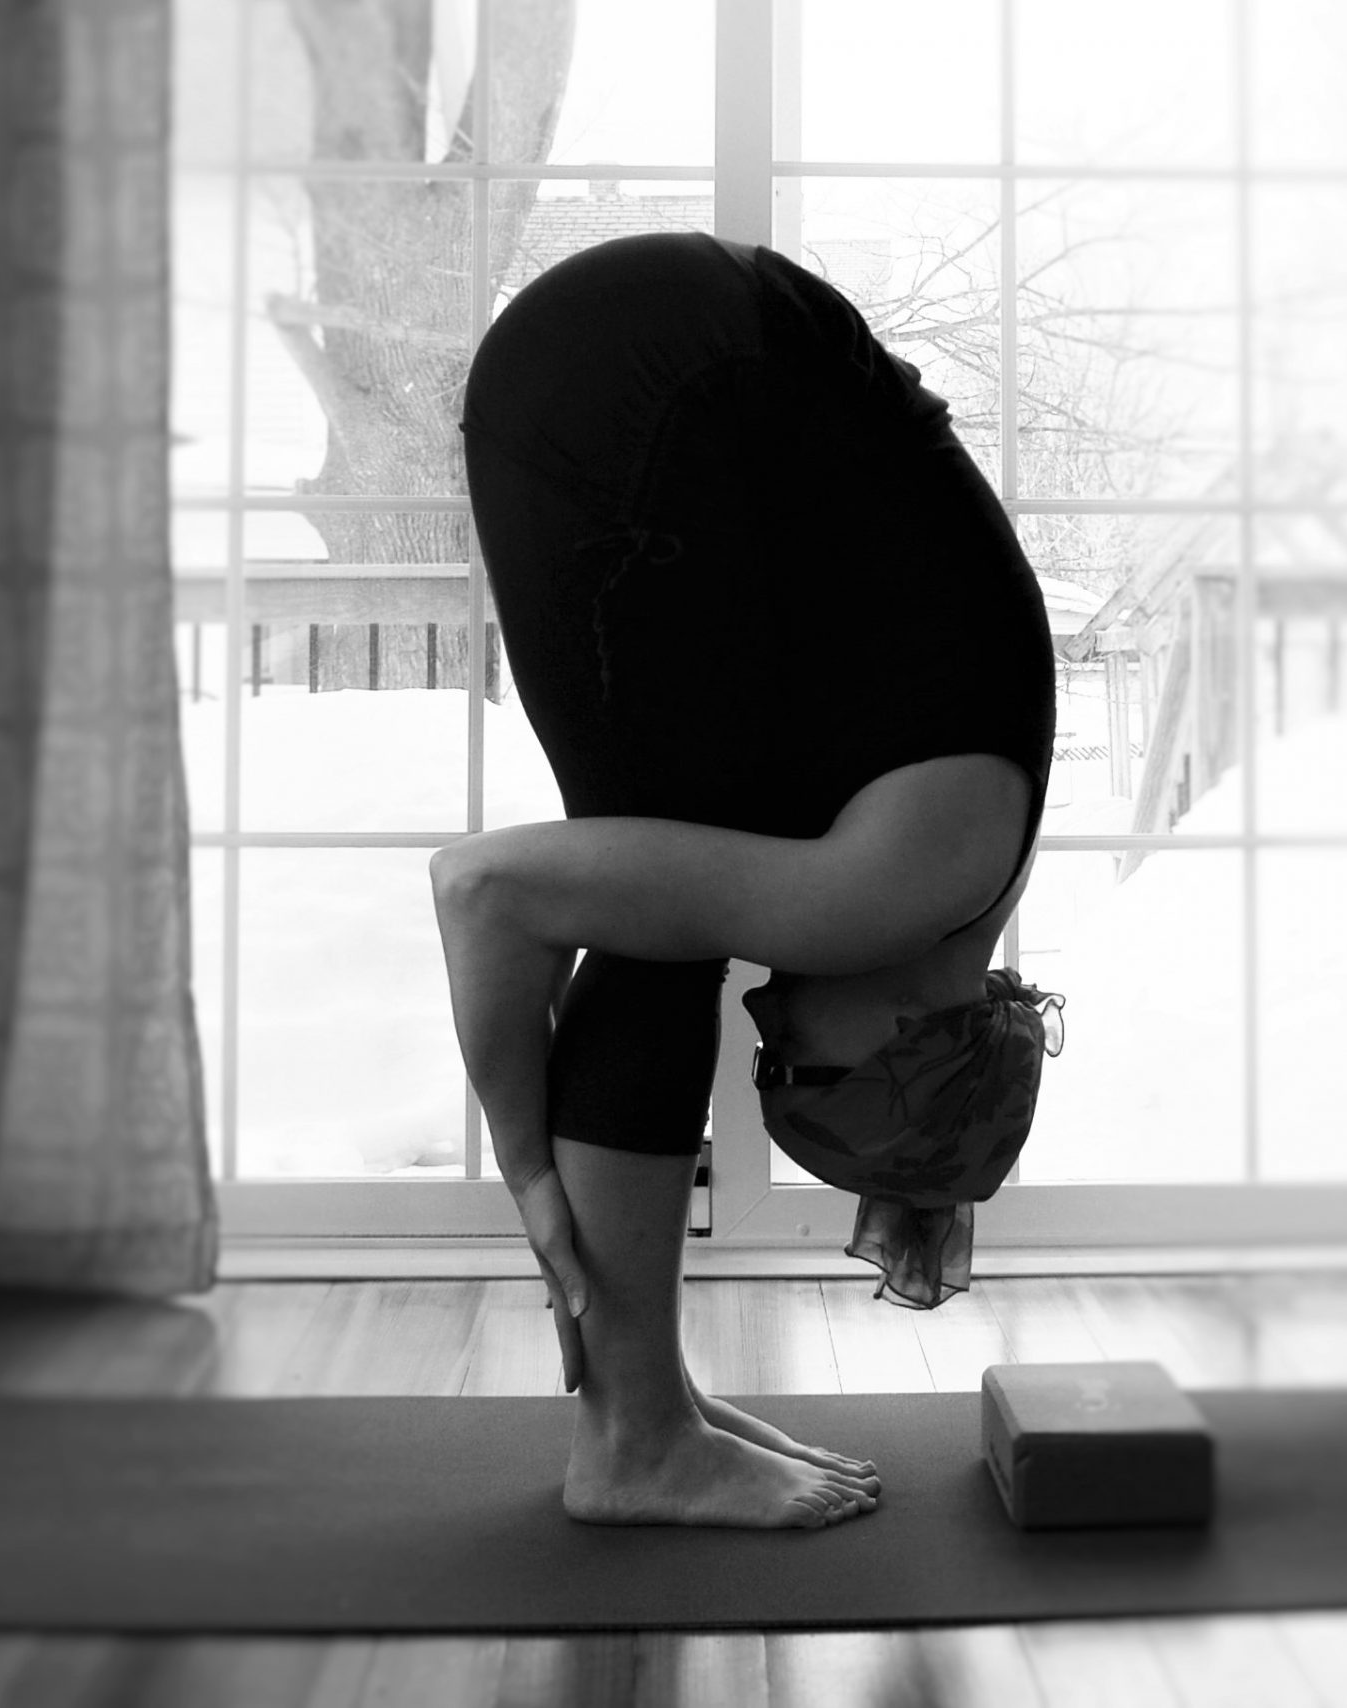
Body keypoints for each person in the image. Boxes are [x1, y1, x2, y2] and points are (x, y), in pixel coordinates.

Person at [431, 231, 1061, 1531]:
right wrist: (529, 1174)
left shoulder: (962, 860)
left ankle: (654, 1404)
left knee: (671, 878)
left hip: (686, 349)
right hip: (650, 379)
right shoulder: (886, 895)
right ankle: (636, 1439)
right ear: (910, 1033)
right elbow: (486, 891)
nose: (768, 1024)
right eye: (801, 1066)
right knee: (664, 934)